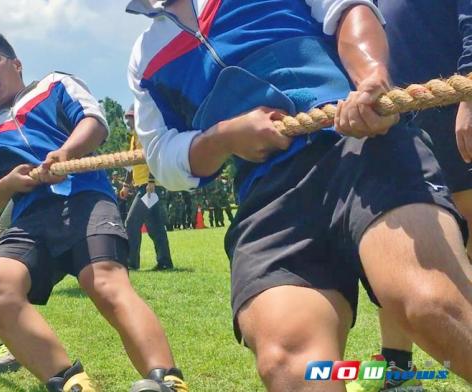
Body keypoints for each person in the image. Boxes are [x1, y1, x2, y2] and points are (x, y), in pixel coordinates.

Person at [127, 0, 472, 390]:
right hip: (268, 195)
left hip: (358, 141)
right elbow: (163, 156)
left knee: (430, 305)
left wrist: (371, 78)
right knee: (289, 361)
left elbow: (346, 7)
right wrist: (224, 137)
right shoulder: (144, 58)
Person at [0, 31, 187, 392]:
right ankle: (70, 383)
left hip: (85, 197)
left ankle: (167, 381)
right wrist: (6, 186)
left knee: (103, 281)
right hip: (29, 219)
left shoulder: (54, 84)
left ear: (15, 64)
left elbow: (94, 122)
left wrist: (65, 153)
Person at [346, 2, 472, 391]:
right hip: (396, 118)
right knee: (399, 237)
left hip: (450, 110)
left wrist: (469, 90)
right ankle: (397, 368)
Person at [123, 105, 174, 270]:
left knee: (131, 222)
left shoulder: (144, 134)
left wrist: (151, 181)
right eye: (128, 117)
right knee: (155, 225)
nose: (128, 121)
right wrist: (126, 184)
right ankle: (165, 262)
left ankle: (131, 263)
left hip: (149, 186)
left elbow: (153, 156)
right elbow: (131, 165)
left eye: (130, 117)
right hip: (143, 185)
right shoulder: (133, 137)